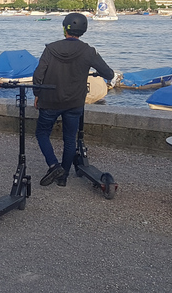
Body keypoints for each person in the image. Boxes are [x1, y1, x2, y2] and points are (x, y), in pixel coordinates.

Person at [33, 13, 114, 187]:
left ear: (64, 28)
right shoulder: (88, 51)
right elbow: (109, 73)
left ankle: (54, 165)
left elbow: (38, 75)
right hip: (74, 102)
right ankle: (63, 177)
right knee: (70, 139)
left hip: (50, 100)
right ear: (83, 30)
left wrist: (37, 94)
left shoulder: (50, 48)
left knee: (42, 133)